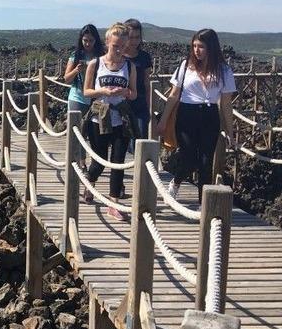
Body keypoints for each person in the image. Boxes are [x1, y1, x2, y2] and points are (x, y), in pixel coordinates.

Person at [156, 29, 236, 202]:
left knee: (206, 162)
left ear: (211, 48)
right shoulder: (185, 66)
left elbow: (226, 103)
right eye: (194, 46)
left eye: (201, 46)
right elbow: (174, 95)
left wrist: (230, 131)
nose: (196, 50)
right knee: (189, 156)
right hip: (187, 114)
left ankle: (203, 204)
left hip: (209, 115)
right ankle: (176, 181)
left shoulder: (224, 70)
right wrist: (163, 121)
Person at [82, 22, 137, 220]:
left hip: (120, 117)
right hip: (100, 117)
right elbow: (86, 91)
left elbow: (134, 93)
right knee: (99, 160)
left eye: (123, 46)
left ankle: (113, 203)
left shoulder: (129, 66)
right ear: (107, 43)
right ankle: (89, 182)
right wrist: (103, 91)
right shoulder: (95, 64)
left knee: (118, 161)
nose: (119, 49)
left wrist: (125, 92)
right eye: (115, 46)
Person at [64, 24, 104, 167]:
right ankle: (81, 162)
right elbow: (66, 78)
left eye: (91, 41)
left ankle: (96, 163)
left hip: (95, 99)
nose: (87, 44)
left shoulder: (101, 57)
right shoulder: (75, 56)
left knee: (94, 132)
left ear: (96, 41)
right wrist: (76, 70)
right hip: (77, 97)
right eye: (85, 40)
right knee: (78, 131)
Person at [124, 18, 154, 145]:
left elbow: (147, 83)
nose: (134, 41)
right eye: (131, 37)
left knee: (140, 138)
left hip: (140, 103)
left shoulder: (145, 57)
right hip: (121, 104)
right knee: (124, 141)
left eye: (137, 37)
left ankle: (139, 165)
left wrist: (149, 107)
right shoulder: (117, 56)